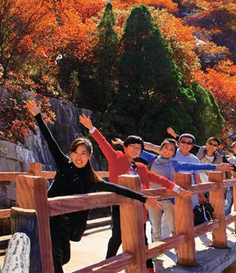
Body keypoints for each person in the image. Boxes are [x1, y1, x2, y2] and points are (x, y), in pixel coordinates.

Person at [25, 100, 163, 273]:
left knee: (64, 257)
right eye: (76, 152)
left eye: (84, 153)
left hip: (67, 225)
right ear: (71, 153)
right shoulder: (64, 164)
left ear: (90, 156)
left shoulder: (91, 179)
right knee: (55, 259)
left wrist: (144, 198)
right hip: (49, 218)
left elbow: (117, 188)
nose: (79, 156)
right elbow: (50, 141)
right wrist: (37, 116)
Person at [79, 115, 198, 273]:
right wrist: (92, 128)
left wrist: (177, 189)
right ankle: (108, 267)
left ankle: (148, 267)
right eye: (132, 147)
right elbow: (103, 144)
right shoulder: (116, 158)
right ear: (125, 147)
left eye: (138, 148)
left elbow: (160, 179)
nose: (135, 150)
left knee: (142, 237)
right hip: (119, 205)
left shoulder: (141, 167)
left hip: (139, 206)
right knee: (117, 237)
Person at [116, 138, 233, 242]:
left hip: (170, 199)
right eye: (165, 148)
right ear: (161, 149)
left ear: (174, 152)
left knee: (175, 227)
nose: (168, 151)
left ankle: (178, 248)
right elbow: (137, 151)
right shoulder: (152, 159)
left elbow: (196, 166)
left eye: (171, 149)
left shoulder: (176, 163)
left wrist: (216, 166)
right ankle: (156, 252)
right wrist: (123, 143)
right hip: (153, 198)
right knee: (155, 227)